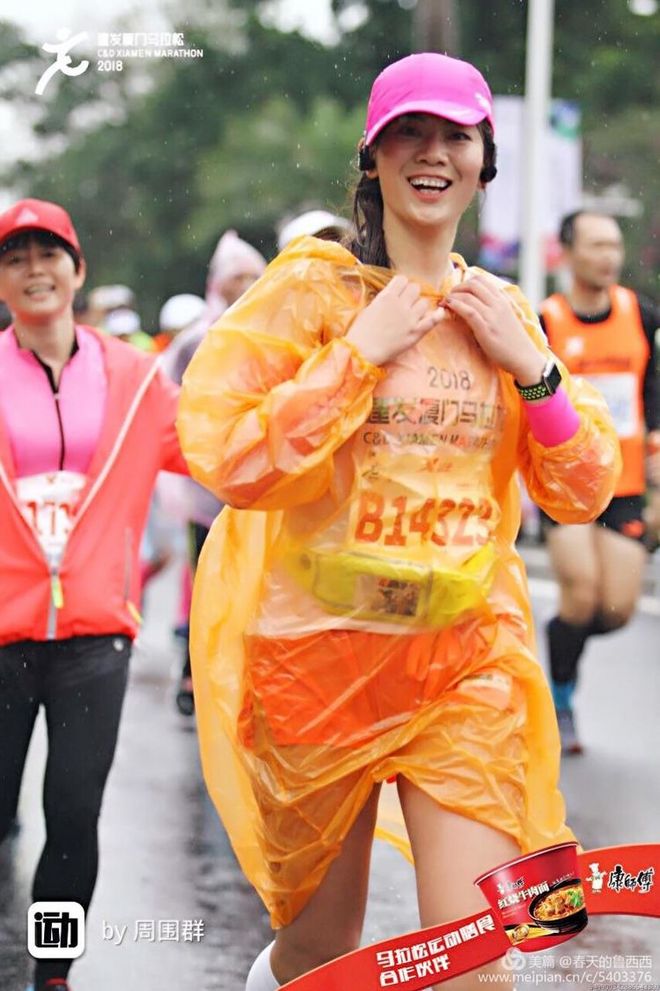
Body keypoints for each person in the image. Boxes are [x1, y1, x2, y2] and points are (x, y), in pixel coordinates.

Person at [178, 54, 620, 990]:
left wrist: (533, 372)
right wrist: (357, 357)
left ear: (483, 163)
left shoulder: (502, 312)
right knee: (320, 957)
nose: (433, 153)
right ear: (373, 158)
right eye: (409, 133)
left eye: (455, 135)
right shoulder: (312, 295)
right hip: (318, 664)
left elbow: (581, 490)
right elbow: (226, 455)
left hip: (465, 663)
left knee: (475, 957)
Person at [0, 198, 189, 991]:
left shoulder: (137, 379)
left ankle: (53, 970)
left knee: (74, 813)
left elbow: (214, 452)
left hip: (95, 636)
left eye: (50, 254)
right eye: (15, 258)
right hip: (2, 637)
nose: (34, 269)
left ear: (79, 270)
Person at [539, 210, 660, 755]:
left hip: (627, 482)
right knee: (582, 591)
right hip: (563, 484)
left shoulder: (640, 315)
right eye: (596, 244)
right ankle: (561, 698)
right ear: (567, 252)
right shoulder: (545, 321)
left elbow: (651, 391)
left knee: (615, 610)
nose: (608, 255)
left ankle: (562, 641)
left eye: (614, 244)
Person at [160, 233, 267, 715]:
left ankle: (248, 676)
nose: (243, 286)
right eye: (235, 278)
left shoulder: (274, 332)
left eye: (250, 277)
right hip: (206, 486)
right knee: (207, 579)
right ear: (217, 285)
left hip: (265, 484)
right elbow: (175, 407)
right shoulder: (196, 341)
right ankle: (195, 672)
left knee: (258, 584)